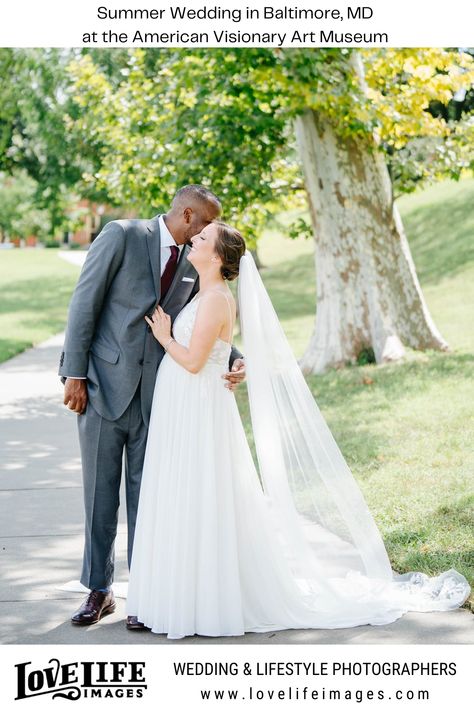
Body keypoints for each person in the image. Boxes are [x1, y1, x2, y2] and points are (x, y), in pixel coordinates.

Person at [125, 220, 470, 639]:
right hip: (186, 405)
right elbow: (215, 351)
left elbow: (196, 361)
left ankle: (205, 601)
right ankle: (183, 593)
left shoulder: (216, 297)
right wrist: (233, 361)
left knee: (202, 493)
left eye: (201, 239)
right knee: (188, 493)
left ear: (215, 256)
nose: (192, 239)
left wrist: (164, 337)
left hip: (197, 406)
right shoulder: (201, 291)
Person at [58, 186, 245, 629]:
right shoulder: (121, 235)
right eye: (206, 225)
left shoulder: (196, 260)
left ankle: (146, 592)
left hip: (159, 399)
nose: (209, 233)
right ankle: (98, 591)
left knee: (150, 499)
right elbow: (84, 303)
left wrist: (236, 357)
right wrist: (75, 374)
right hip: (103, 388)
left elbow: (206, 320)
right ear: (187, 215)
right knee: (100, 495)